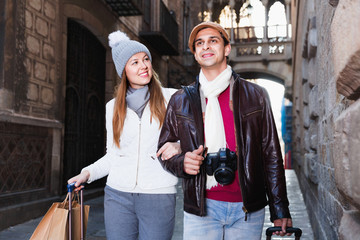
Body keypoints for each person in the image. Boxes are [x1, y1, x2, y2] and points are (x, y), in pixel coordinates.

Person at [157, 21, 292, 240]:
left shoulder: (256, 95)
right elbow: (163, 151)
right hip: (201, 208)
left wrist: (280, 208)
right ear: (195, 54)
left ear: (227, 48)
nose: (206, 46)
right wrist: (182, 162)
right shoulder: (180, 101)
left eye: (213, 41)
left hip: (247, 210)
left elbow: (271, 154)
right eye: (199, 43)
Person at [68, 30, 180, 240]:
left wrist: (180, 146)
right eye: (135, 62)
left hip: (159, 194)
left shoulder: (172, 98)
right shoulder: (112, 108)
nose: (144, 66)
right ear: (124, 71)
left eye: (145, 59)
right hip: (117, 195)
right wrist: (87, 173)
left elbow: (197, 134)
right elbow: (113, 156)